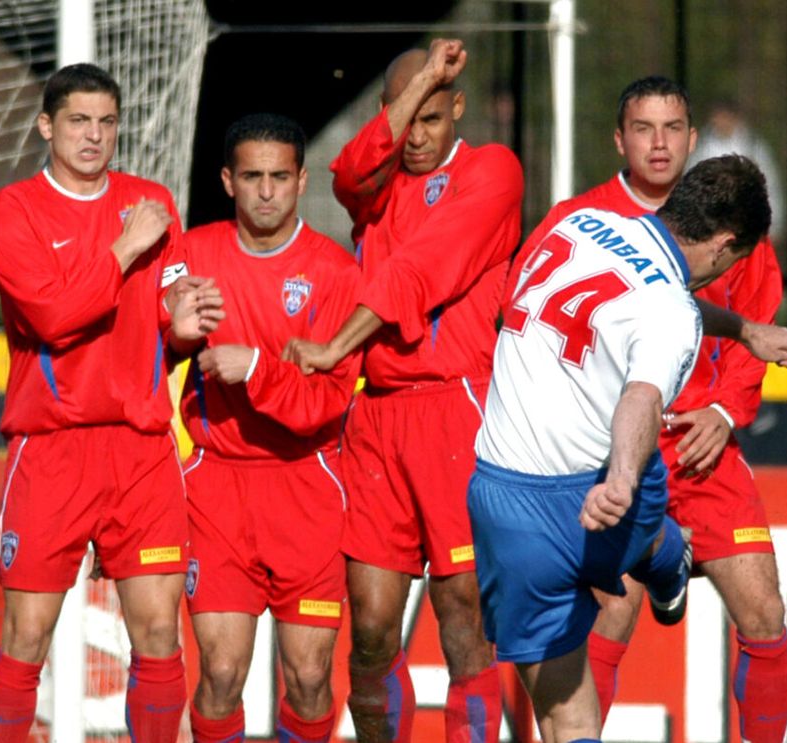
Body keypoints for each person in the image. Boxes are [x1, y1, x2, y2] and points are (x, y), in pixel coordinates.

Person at [469, 155, 787, 743]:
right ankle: (664, 550)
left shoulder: (581, 223)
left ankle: (656, 548)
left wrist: (745, 330)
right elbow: (643, 399)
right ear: (725, 247)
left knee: (565, 717)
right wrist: (622, 479)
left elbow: (634, 295)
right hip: (602, 499)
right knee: (648, 472)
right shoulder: (670, 312)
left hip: (501, 500)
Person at [283, 38, 523, 743]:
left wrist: (333, 346)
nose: (416, 136)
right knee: (373, 631)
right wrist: (413, 92)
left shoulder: (492, 172)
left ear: (459, 109)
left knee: (461, 618)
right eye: (402, 117)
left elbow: (419, 271)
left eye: (432, 117)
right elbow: (351, 169)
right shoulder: (376, 183)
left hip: (458, 411)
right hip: (378, 421)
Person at [0, 63, 223, 743]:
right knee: (26, 635)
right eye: (79, 121)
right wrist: (124, 246)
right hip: (51, 448)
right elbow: (53, 317)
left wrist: (185, 322)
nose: (94, 135)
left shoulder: (150, 200)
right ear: (46, 126)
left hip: (141, 447)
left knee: (156, 633)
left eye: (106, 122)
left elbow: (165, 324)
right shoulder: (13, 210)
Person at [172, 113, 362, 743]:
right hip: (218, 487)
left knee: (308, 679)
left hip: (306, 484)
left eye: (279, 176)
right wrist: (172, 330)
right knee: (221, 672)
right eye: (251, 176)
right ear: (227, 180)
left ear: (302, 180)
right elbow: (146, 348)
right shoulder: (193, 256)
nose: (265, 191)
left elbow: (326, 402)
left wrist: (253, 367)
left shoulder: (336, 272)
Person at [688, 98, 786, 243]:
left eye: (723, 116)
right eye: (716, 117)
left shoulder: (752, 146)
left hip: (747, 227)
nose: (719, 121)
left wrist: (775, 224)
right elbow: (690, 183)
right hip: (710, 228)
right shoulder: (703, 147)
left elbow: (769, 184)